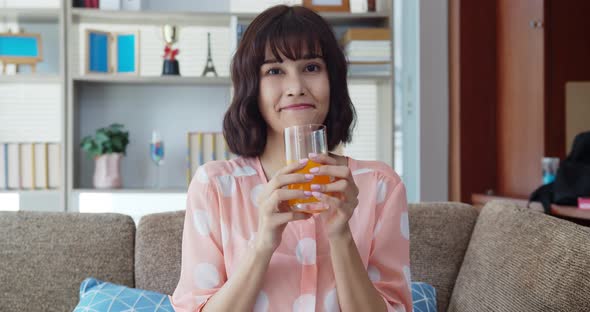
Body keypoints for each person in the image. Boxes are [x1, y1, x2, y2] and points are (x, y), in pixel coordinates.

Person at [171, 5, 412, 312]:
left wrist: (341, 235)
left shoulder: (380, 186)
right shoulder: (215, 186)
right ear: (251, 88)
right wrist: (263, 244)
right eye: (274, 71)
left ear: (332, 79)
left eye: (311, 67)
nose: (296, 87)